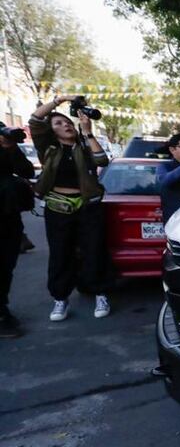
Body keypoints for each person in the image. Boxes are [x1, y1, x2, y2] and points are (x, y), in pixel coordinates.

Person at [30, 96, 112, 322]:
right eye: (58, 123)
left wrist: (88, 132)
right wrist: (61, 100)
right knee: (60, 253)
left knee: (94, 250)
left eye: (67, 122)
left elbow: (102, 161)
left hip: (88, 207)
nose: (65, 125)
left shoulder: (84, 145)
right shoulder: (48, 147)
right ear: (51, 131)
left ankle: (100, 293)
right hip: (58, 207)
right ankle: (60, 299)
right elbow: (35, 120)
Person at [0, 128, 34, 338]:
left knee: (6, 266)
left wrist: (10, 147)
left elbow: (26, 171)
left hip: (8, 215)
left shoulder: (4, 137)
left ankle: (2, 309)